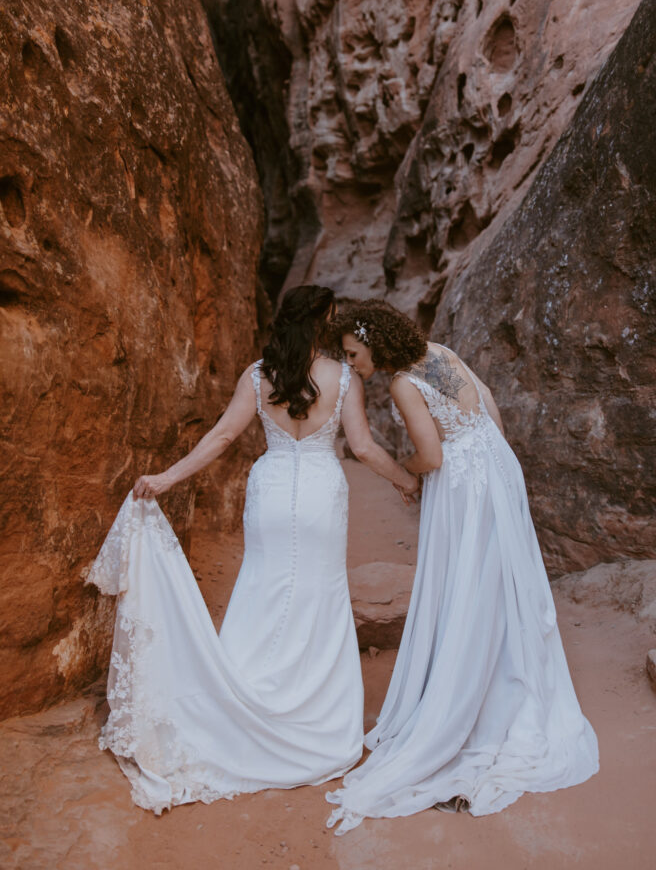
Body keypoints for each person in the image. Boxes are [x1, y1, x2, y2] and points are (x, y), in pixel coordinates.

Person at [87, 285, 418, 813]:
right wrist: (406, 480)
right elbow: (362, 446)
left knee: (263, 588)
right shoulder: (344, 377)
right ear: (321, 322)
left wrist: (167, 478)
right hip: (318, 495)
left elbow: (221, 437)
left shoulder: (258, 374)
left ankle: (240, 701)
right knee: (317, 595)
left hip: (269, 492)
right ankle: (311, 719)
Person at [326, 299, 599, 834]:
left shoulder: (404, 383)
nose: (353, 364)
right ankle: (509, 675)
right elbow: (490, 404)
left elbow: (430, 454)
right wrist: (490, 454)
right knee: (500, 582)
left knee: (467, 586)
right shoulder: (440, 352)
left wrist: (412, 477)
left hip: (464, 486)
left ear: (374, 344)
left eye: (354, 354)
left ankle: (468, 701)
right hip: (497, 464)